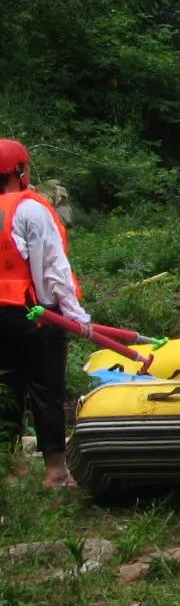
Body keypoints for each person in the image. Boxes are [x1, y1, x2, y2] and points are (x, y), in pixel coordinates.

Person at [0, 138, 88, 489]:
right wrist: (75, 315)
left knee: (6, 387)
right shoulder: (31, 208)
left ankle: (11, 468)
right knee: (46, 388)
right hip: (34, 310)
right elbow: (52, 268)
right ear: (20, 170)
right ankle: (55, 472)